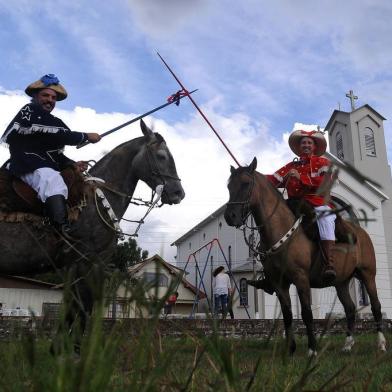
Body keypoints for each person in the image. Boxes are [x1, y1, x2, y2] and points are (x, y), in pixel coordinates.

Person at [1, 74, 101, 237]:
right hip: (26, 163)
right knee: (53, 181)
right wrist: (85, 136)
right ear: (35, 96)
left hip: (42, 163)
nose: (50, 100)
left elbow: (55, 155)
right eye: (45, 95)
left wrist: (73, 163)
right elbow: (61, 136)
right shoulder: (30, 110)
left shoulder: (54, 121)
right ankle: (61, 231)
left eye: (53, 97)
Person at [266, 129, 337, 281]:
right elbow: (273, 179)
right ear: (299, 147)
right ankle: (270, 266)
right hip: (295, 204)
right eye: (303, 143)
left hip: (317, 202)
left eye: (309, 143)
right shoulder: (291, 165)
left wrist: (301, 178)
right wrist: (253, 175)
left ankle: (329, 264)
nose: (306, 145)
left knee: (325, 219)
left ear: (314, 146)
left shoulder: (323, 163)